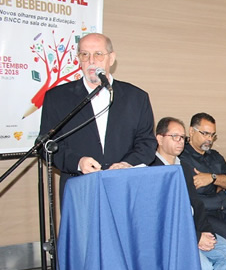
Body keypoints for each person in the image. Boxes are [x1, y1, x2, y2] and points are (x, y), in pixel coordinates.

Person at [39, 33, 156, 198]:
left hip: (125, 187)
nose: (91, 61)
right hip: (79, 189)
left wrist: (127, 164)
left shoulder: (136, 97)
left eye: (98, 54)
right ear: (79, 59)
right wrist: (78, 162)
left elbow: (147, 143)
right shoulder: (57, 97)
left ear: (111, 58)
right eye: (85, 54)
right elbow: (46, 146)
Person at [151, 117, 226, 270]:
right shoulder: (150, 169)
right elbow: (160, 217)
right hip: (172, 236)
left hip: (194, 228)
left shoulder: (184, 167)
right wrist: (196, 237)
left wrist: (205, 232)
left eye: (182, 138)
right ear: (159, 138)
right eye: (175, 137)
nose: (180, 142)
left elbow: (196, 205)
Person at [179, 112, 226, 246]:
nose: (210, 139)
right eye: (205, 134)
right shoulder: (182, 157)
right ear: (191, 131)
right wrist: (221, 184)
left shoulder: (215, 156)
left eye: (212, 135)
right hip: (204, 214)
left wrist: (212, 178)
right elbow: (198, 188)